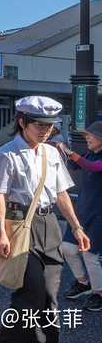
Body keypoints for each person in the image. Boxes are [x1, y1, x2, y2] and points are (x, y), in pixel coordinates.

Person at [0, 96, 91, 343]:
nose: (45, 131)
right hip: (19, 225)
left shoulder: (51, 152)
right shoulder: (5, 153)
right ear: (22, 122)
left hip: (50, 226)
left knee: (49, 297)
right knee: (31, 293)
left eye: (49, 126)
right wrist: (1, 231)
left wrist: (77, 226)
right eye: (40, 125)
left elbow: (61, 193)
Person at [57, 121, 102, 312]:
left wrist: (69, 152)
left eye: (90, 135)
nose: (87, 138)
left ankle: (99, 293)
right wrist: (59, 152)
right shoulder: (90, 153)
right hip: (82, 212)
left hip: (98, 215)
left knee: (90, 254)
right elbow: (76, 167)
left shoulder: (95, 159)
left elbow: (92, 167)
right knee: (67, 248)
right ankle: (84, 283)